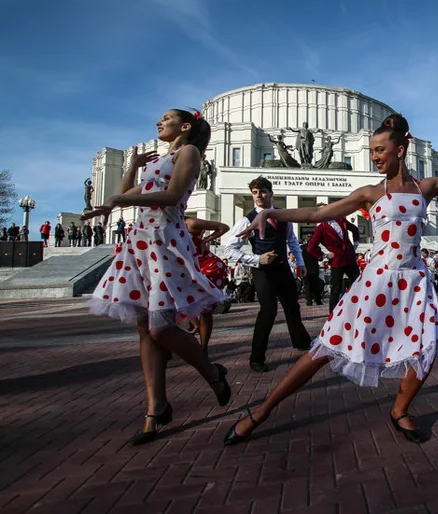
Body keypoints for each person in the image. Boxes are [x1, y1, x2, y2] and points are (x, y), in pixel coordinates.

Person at [222, 114, 438, 446]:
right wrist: (270, 212)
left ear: (400, 150)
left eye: (380, 150)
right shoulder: (369, 192)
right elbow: (317, 214)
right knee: (323, 349)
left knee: (426, 349)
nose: (374, 156)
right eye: (371, 151)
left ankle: (400, 410)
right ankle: (261, 411)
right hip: (375, 283)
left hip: (414, 284)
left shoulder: (425, 188)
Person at [81, 109, 231, 445]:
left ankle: (212, 372)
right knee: (144, 326)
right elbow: (127, 194)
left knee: (160, 326)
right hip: (140, 242)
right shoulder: (156, 162)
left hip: (165, 240)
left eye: (166, 118)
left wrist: (119, 198)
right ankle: (155, 408)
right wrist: (132, 169)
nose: (159, 122)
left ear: (185, 126)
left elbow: (173, 196)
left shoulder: (188, 152)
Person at [224, 176, 311, 373]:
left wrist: (300, 262)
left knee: (292, 306)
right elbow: (229, 250)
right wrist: (257, 259)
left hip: (283, 268)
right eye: (255, 193)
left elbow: (291, 240)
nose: (259, 196)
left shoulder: (282, 215)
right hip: (262, 271)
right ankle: (256, 357)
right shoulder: (246, 220)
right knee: (268, 310)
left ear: (271, 193)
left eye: (262, 192)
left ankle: (302, 342)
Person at [185, 217, 231, 356]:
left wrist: (206, 240)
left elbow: (224, 227)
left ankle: (203, 349)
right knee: (181, 300)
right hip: (188, 267)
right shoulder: (166, 223)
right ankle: (195, 326)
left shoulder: (190, 223)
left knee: (205, 310)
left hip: (206, 266)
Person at [307, 204, 360, 312]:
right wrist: (324, 255)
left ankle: (359, 308)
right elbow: (310, 248)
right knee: (336, 289)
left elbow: (354, 229)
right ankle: (333, 313)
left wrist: (356, 242)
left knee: (359, 283)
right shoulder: (320, 228)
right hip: (337, 261)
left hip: (349, 257)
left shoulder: (341, 220)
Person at [301, 233, 324, 306]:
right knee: (316, 285)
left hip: (305, 268)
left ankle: (309, 301)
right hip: (314, 268)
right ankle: (318, 300)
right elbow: (320, 258)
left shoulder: (302, 247)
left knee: (307, 285)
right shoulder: (317, 247)